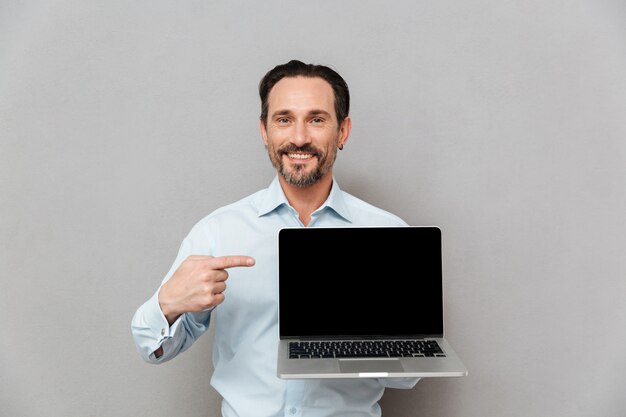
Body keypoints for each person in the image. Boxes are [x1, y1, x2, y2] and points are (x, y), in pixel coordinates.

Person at [131, 59, 420, 416]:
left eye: (316, 119)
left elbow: (407, 379)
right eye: (284, 119)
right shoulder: (218, 232)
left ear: (342, 132)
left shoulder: (388, 235)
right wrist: (169, 304)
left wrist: (366, 333)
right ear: (265, 131)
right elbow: (152, 348)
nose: (299, 137)